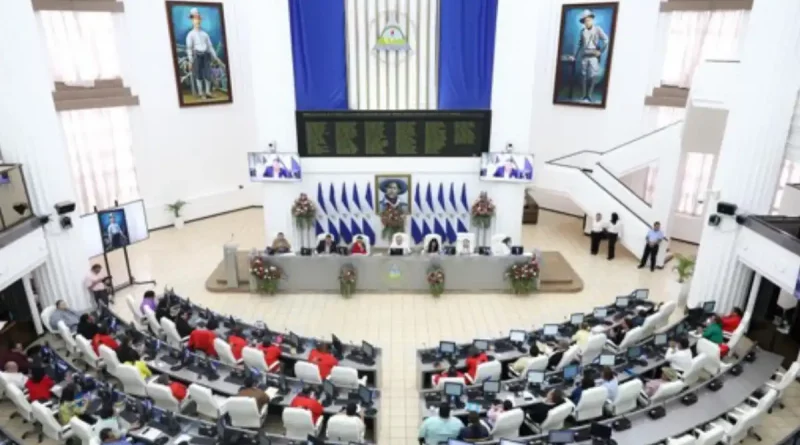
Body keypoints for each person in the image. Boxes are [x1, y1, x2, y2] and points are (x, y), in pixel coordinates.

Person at [565, 9, 609, 103]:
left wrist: (600, 52)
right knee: (583, 75)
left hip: (594, 56)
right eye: (585, 21)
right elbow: (579, 44)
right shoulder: (582, 31)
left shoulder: (598, 29)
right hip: (584, 55)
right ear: (583, 22)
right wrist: (575, 56)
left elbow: (606, 40)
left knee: (593, 75)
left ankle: (589, 95)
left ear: (592, 20)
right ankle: (584, 96)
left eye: (588, 20)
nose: (587, 22)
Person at [185, 7, 224, 100]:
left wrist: (215, 57)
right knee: (198, 75)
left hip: (206, 55)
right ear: (192, 21)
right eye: (195, 19)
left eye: (198, 19)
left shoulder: (205, 34)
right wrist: (190, 61)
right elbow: (189, 48)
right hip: (196, 56)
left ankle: (208, 92)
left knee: (207, 74)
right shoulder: (190, 35)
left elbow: (210, 47)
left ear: (200, 20)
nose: (197, 21)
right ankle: (201, 93)